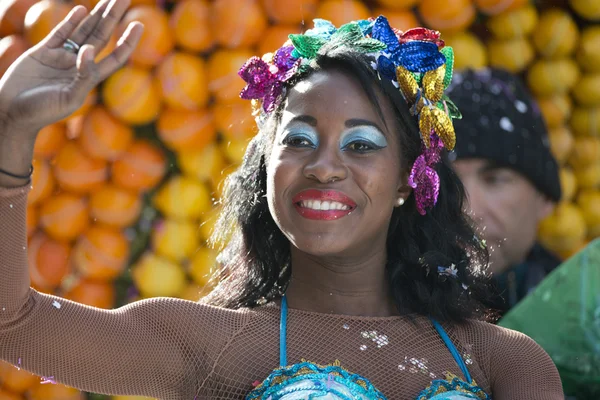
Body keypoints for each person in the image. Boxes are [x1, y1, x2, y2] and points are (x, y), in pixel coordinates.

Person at [0, 1, 563, 399]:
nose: (322, 165)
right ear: (266, 167)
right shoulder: (207, 346)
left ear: (406, 180)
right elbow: (13, 323)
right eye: (297, 140)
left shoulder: (502, 361)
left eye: (361, 144)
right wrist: (9, 131)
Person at [447, 68, 562, 315]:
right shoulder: (377, 310)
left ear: (544, 198)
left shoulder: (587, 318)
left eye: (494, 180)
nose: (468, 210)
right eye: (448, 182)